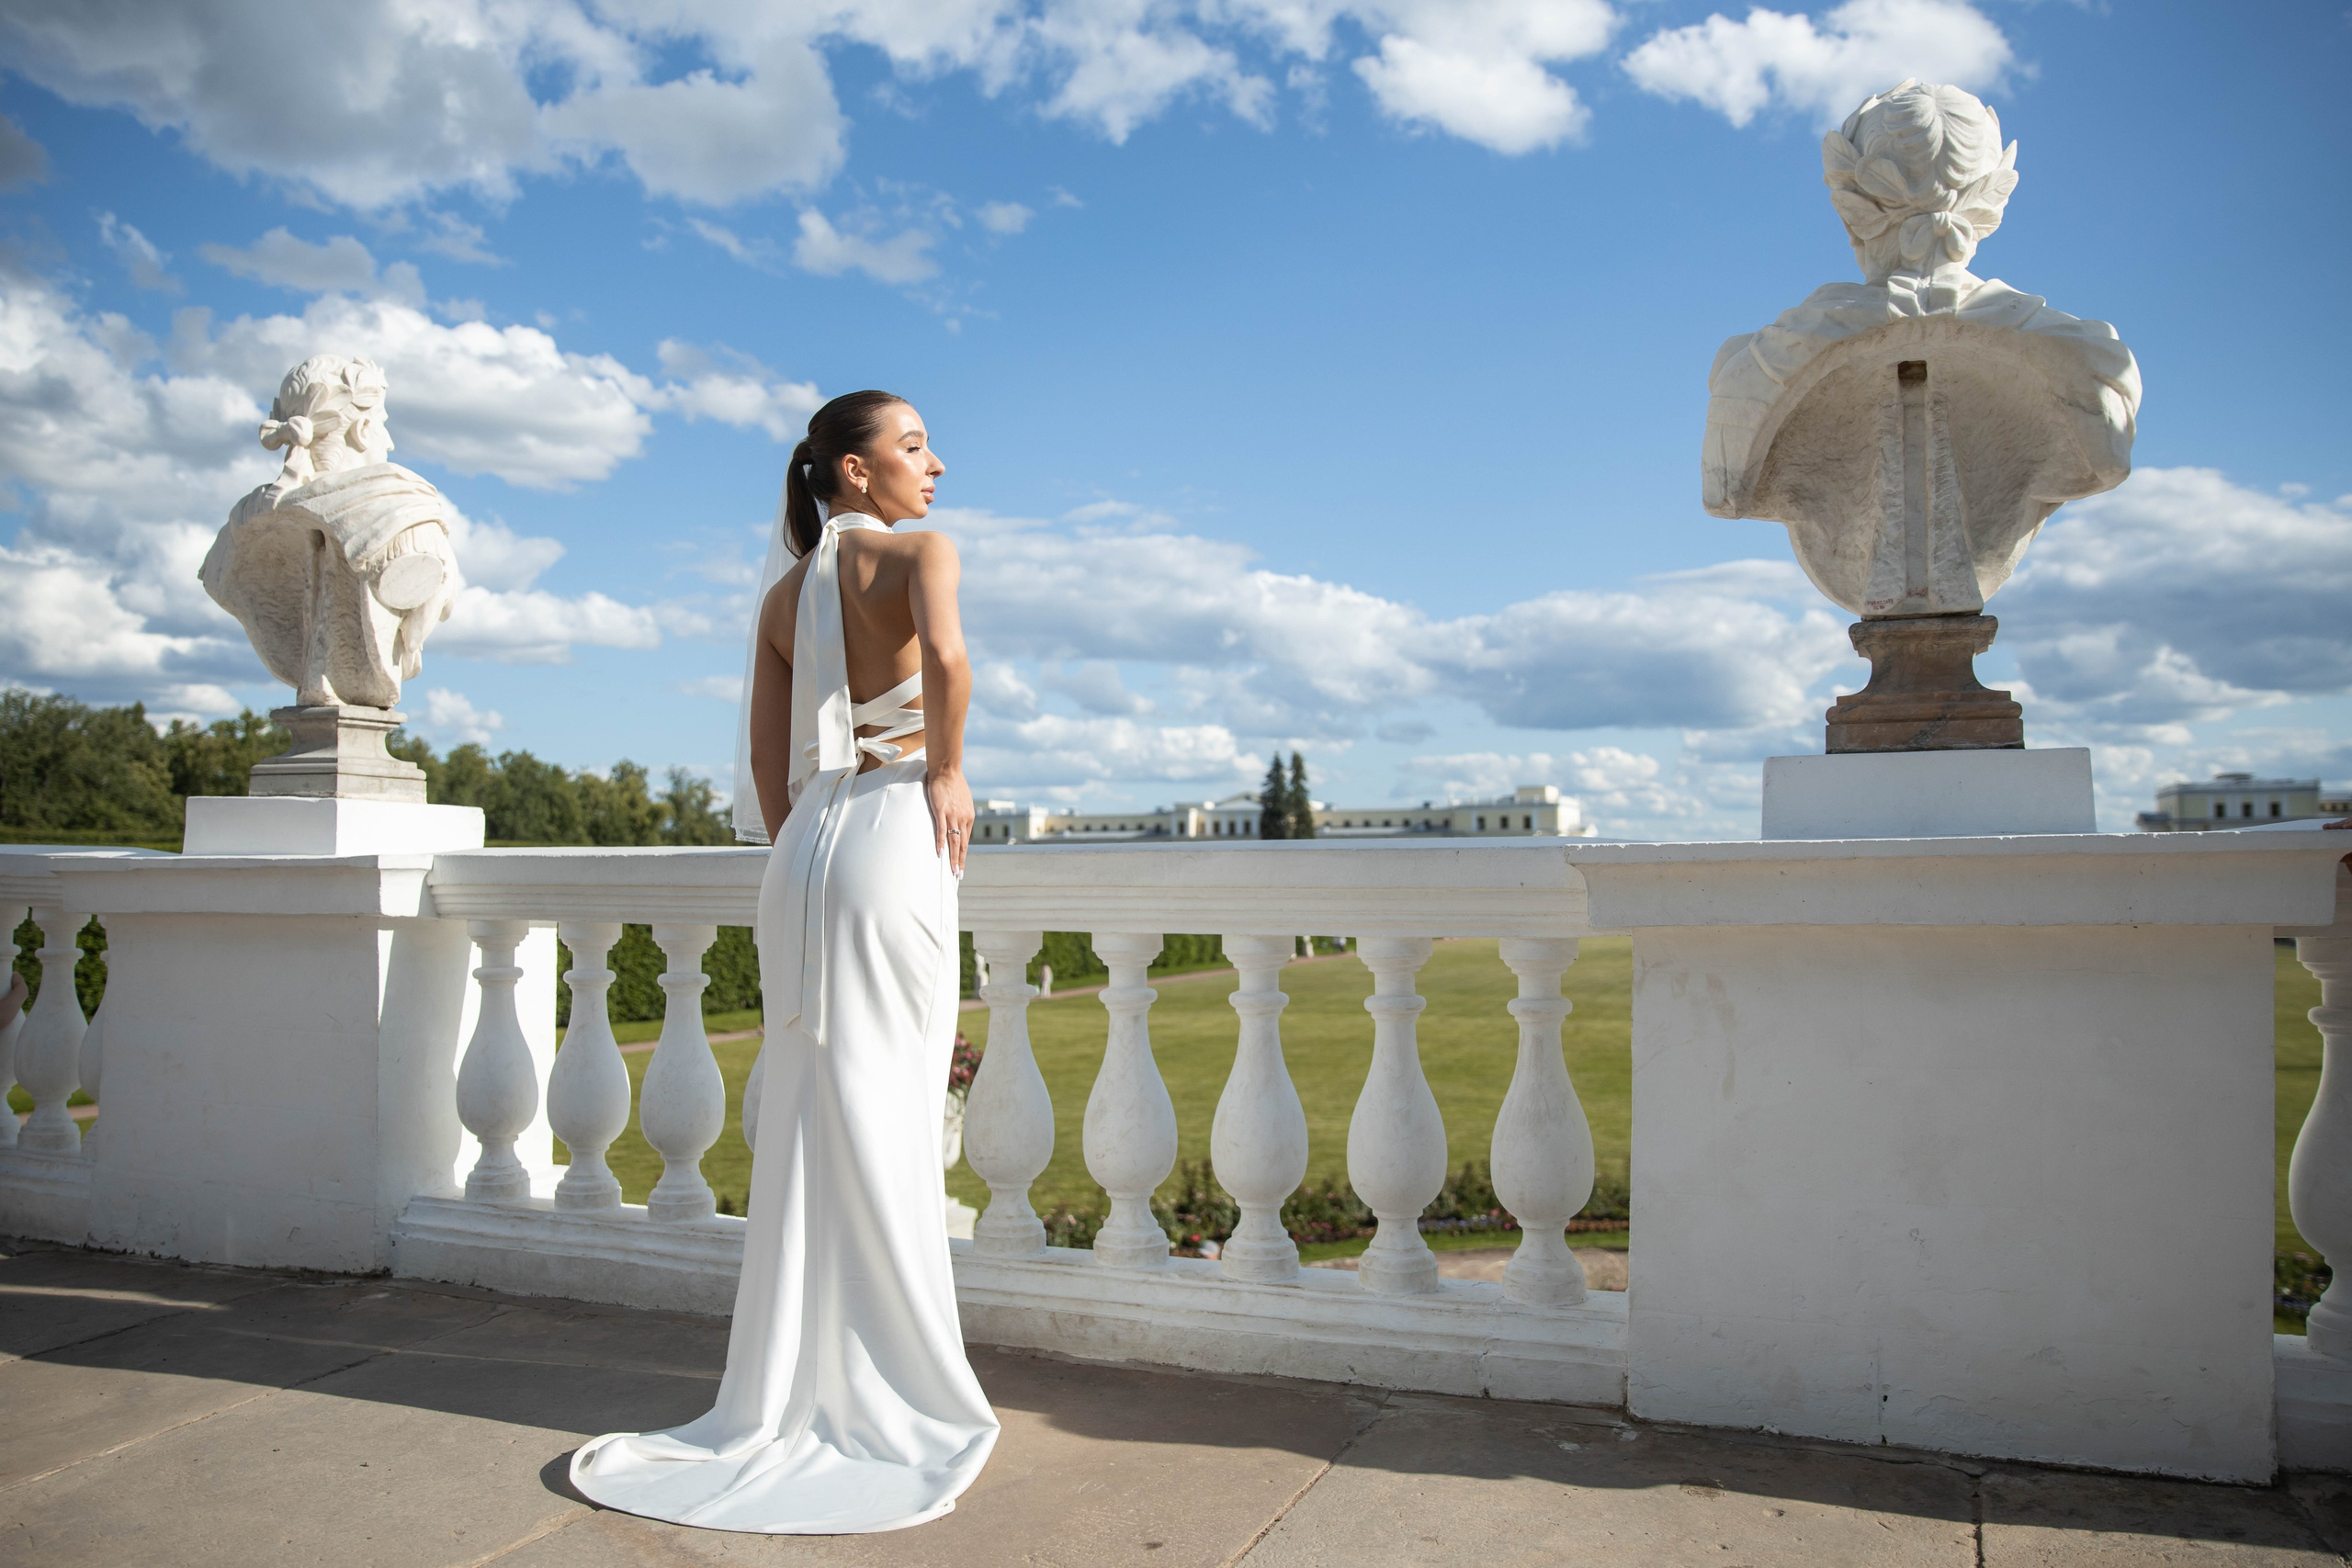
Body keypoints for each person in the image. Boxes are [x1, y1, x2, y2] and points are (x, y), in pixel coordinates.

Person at [569, 391, 997, 1534]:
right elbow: (948, 666)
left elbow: (768, 768)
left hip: (807, 850)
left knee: (815, 1108)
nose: (935, 464)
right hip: (897, 828)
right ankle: (899, 1384)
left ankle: (798, 1381)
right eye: (913, 446)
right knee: (890, 1107)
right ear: (853, 474)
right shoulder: (921, 554)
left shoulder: (778, 598)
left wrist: (810, 838)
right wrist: (946, 774)